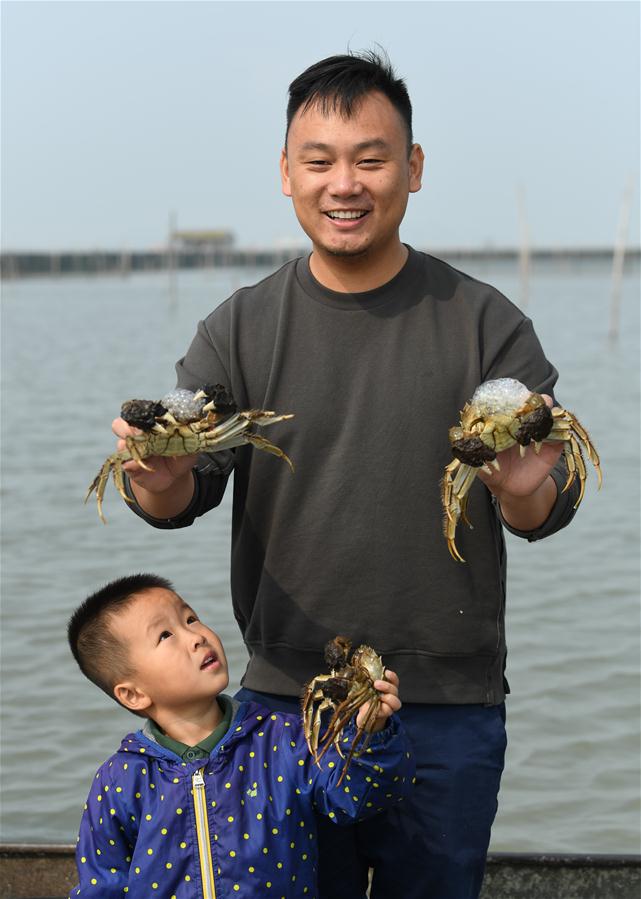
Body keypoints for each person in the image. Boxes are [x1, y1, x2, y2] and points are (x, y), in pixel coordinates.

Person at [110, 51, 582, 898]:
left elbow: (544, 501)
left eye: (370, 158)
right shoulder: (240, 328)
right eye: (319, 161)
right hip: (285, 704)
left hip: (446, 699)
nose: (345, 183)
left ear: (414, 168)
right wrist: (152, 472)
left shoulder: (485, 323)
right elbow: (181, 492)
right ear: (286, 175)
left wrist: (520, 489)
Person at [67, 573, 413, 898]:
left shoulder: (283, 738)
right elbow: (102, 883)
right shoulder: (120, 779)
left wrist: (371, 731)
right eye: (165, 636)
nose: (196, 636)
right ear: (133, 694)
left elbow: (358, 797)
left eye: (190, 618)